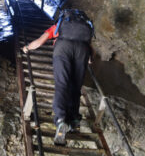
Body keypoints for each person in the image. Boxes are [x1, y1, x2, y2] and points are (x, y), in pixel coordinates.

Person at [22, 10, 94, 145]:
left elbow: (40, 41)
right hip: (82, 50)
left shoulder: (59, 25)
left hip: (63, 48)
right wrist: (89, 58)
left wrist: (27, 48)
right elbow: (90, 50)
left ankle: (61, 120)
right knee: (76, 87)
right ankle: (74, 121)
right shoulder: (85, 28)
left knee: (62, 84)